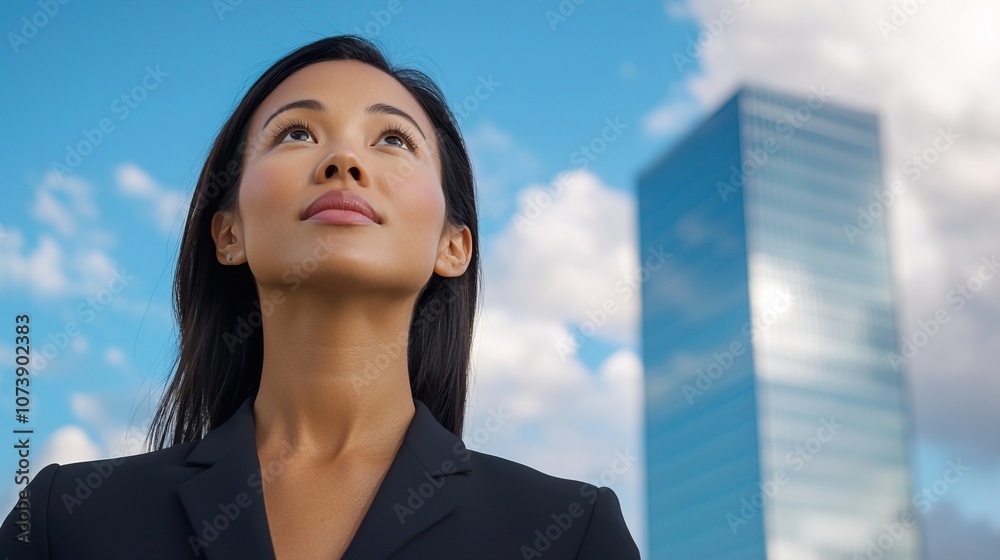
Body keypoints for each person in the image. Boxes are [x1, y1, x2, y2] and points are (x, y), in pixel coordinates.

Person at [0, 35, 641, 559]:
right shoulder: (65, 522)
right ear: (229, 232)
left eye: (392, 140)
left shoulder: (571, 532)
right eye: (297, 134)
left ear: (454, 247)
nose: (343, 160)